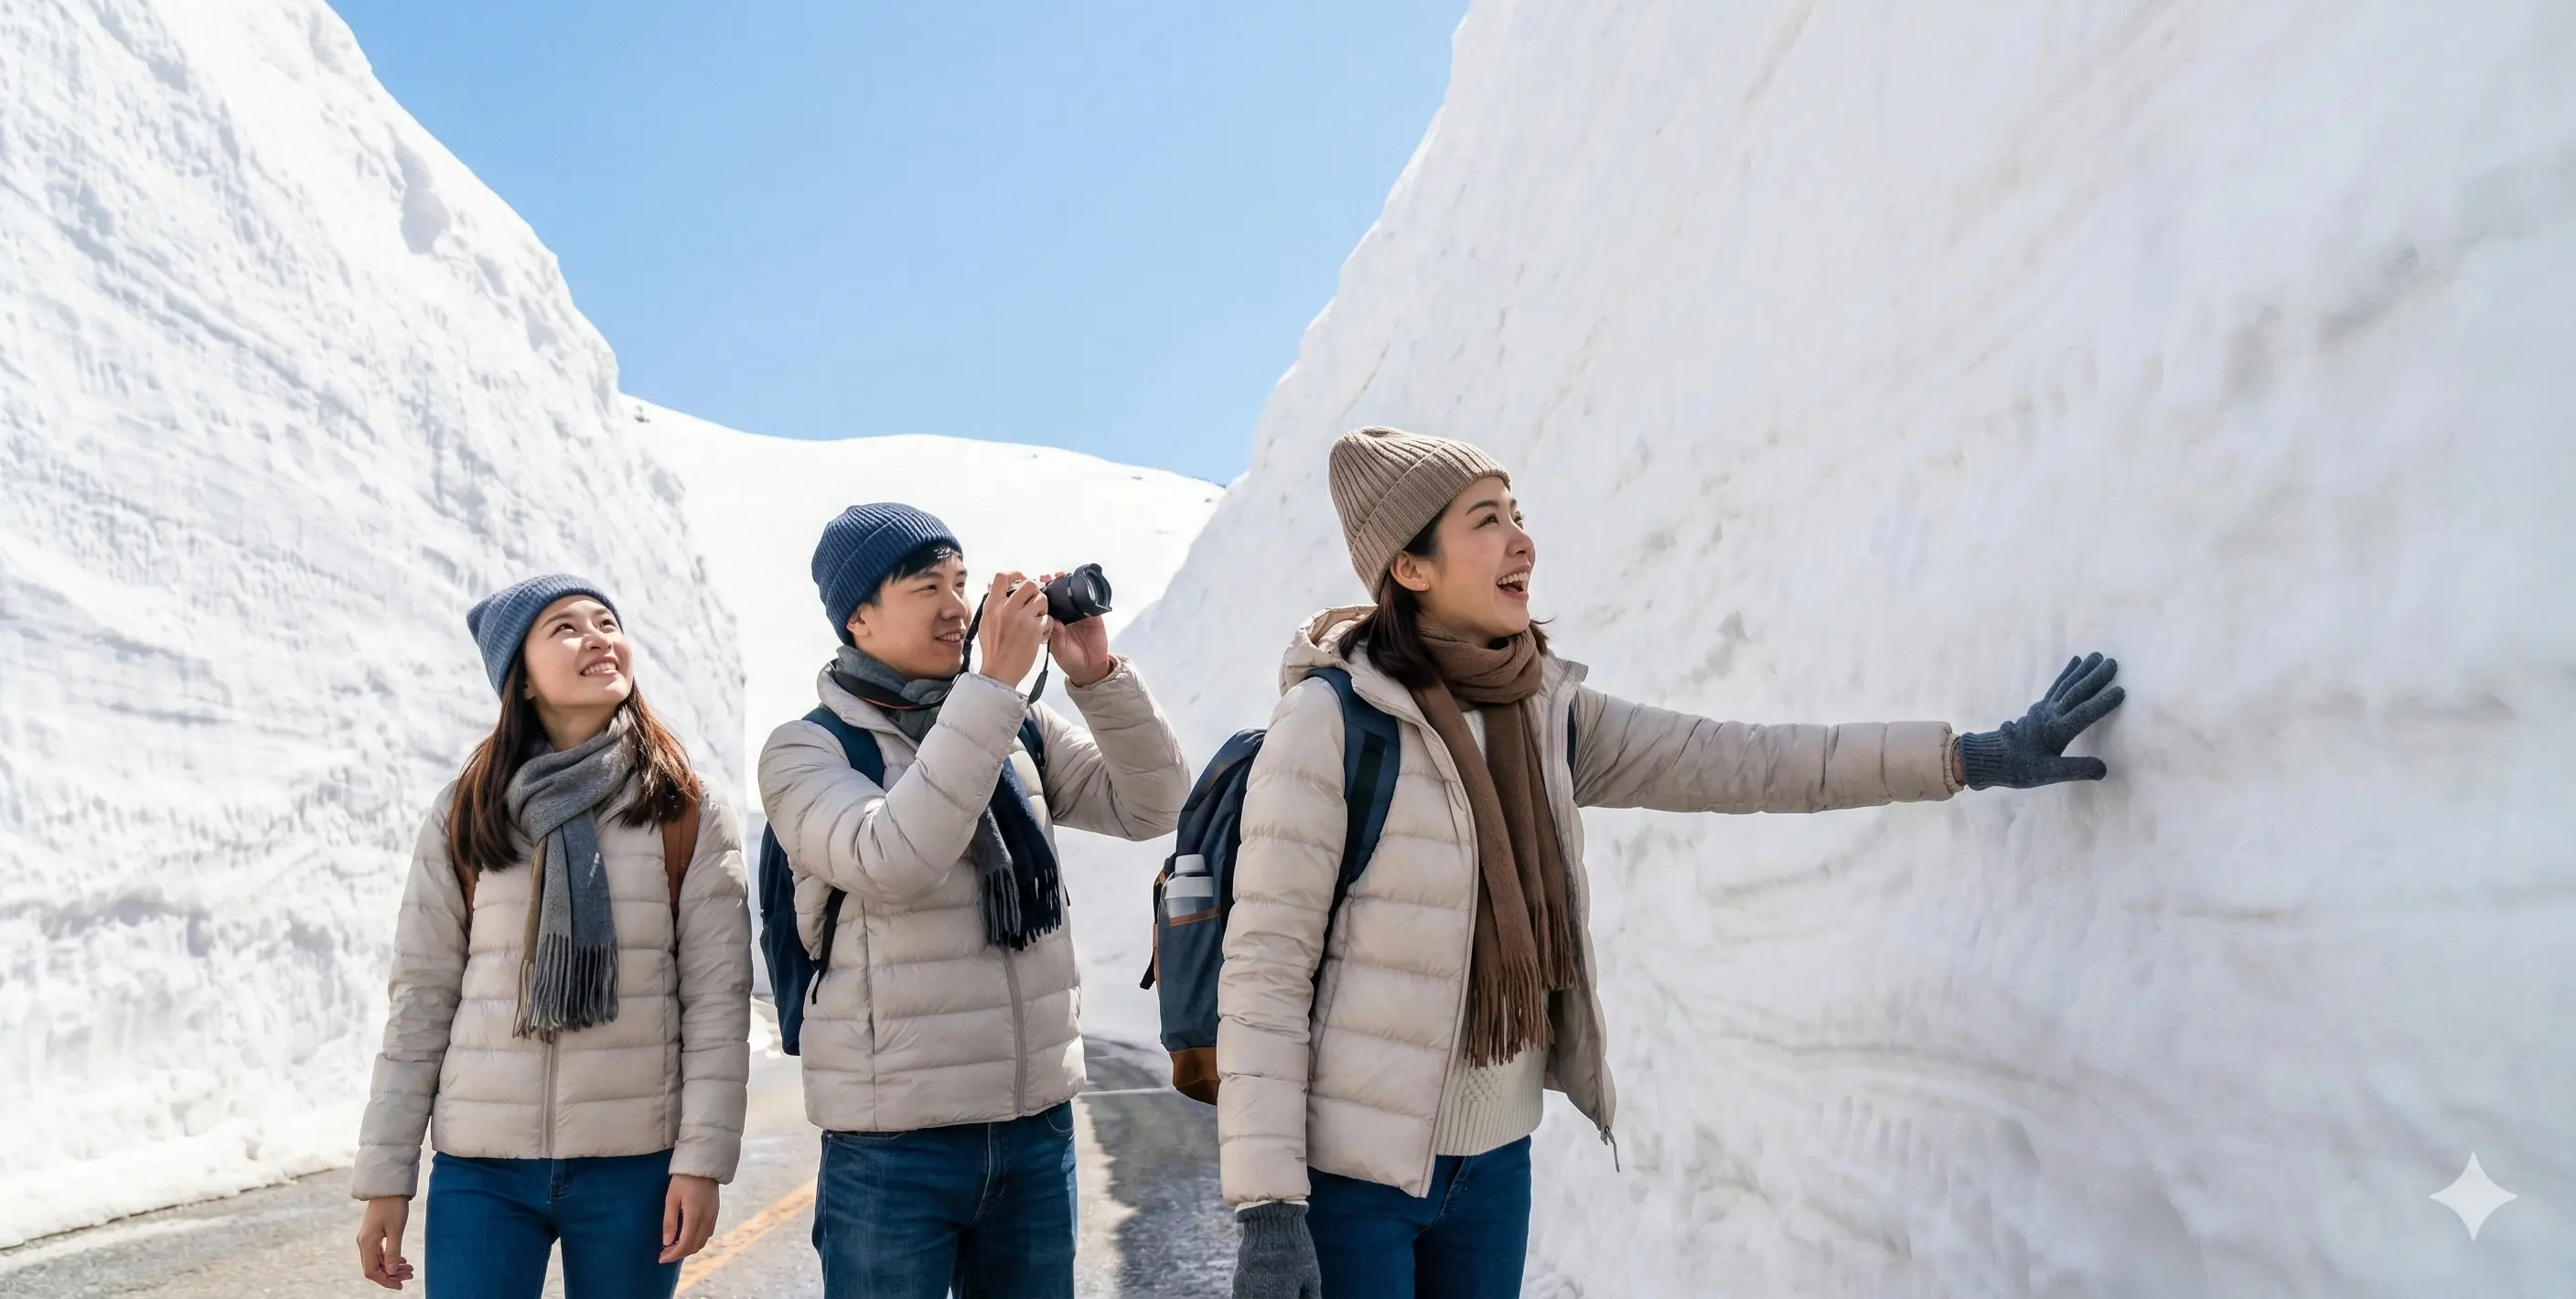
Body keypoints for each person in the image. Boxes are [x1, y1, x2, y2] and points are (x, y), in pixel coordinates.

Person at [1222, 427, 2125, 1299]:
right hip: (1352, 1183)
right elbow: (1264, 971)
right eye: (1484, 520)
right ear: (1410, 569)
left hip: (1493, 1167)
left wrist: (1965, 755)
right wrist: (1269, 1210)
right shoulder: (1329, 725)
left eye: (1514, 511)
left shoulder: (1543, 713)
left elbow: (1744, 761)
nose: (1521, 540)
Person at [761, 502, 1193, 1299]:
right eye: (928, 586)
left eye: (962, 583)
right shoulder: (808, 748)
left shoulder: (1012, 724)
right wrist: (991, 685)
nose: (958, 608)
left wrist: (1096, 675)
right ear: (856, 616)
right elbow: (891, 857)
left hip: (1035, 1133)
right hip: (892, 1150)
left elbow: (1154, 804)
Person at [352, 574, 752, 1296]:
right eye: (565, 628)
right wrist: (386, 1178)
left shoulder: (683, 804)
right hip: (482, 1172)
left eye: (606, 621)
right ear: (523, 679)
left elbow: (718, 1002)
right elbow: (422, 997)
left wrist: (702, 1161)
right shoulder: (468, 809)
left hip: (635, 1165)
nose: (597, 637)